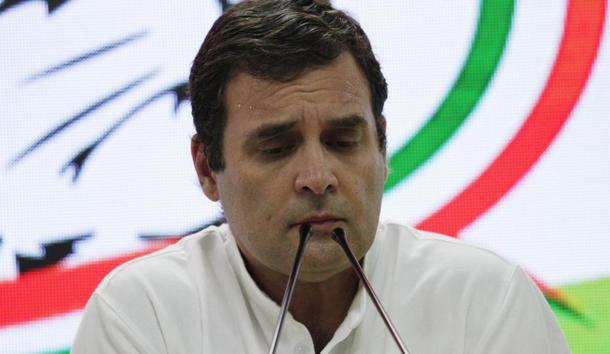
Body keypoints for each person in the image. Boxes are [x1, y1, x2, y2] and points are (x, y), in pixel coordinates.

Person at [72, 0, 571, 353]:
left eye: (343, 141)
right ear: (207, 169)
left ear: (382, 147)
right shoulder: (142, 315)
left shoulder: (485, 299)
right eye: (277, 147)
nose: (317, 177)